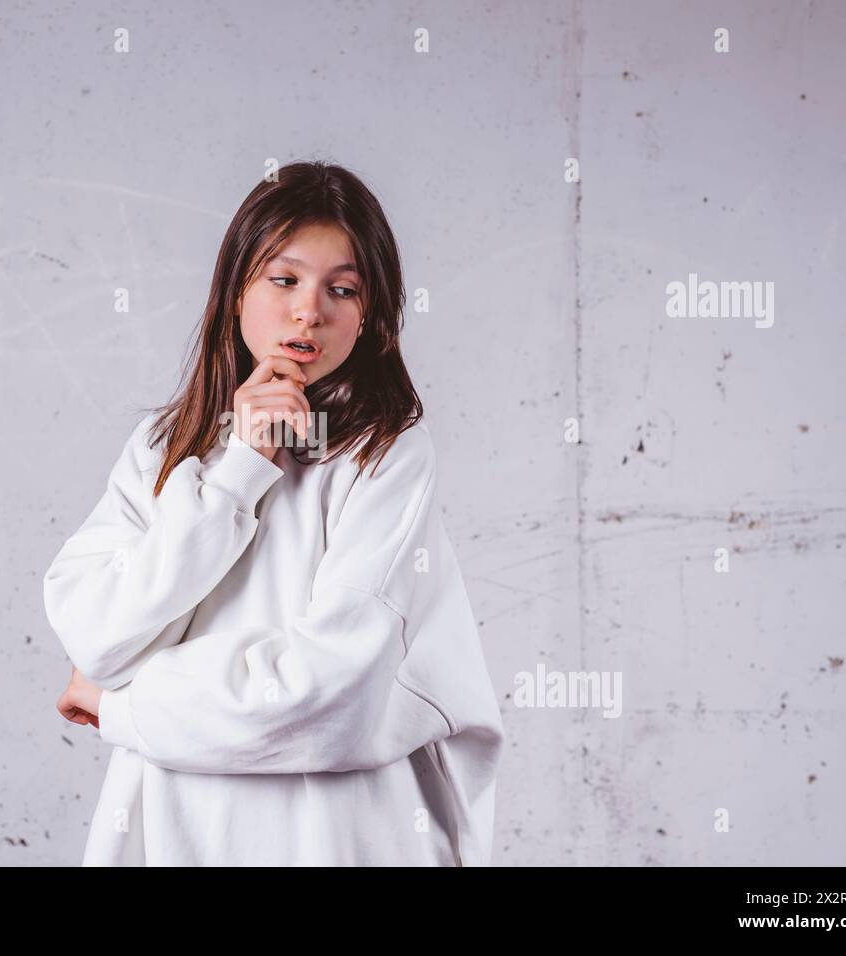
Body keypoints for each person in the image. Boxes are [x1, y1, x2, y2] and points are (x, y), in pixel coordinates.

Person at [42, 160, 505, 866]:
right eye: (284, 279)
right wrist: (238, 473)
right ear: (235, 293)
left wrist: (123, 707)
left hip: (337, 836)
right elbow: (99, 638)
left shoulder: (386, 454)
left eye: (342, 289)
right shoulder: (165, 448)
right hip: (172, 826)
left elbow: (324, 694)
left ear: (370, 316)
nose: (308, 311)